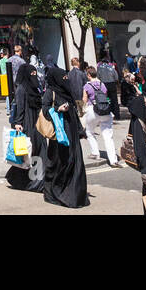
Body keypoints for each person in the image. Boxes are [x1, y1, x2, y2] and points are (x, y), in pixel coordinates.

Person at [40, 64, 89, 207]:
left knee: (74, 161)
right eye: (63, 77)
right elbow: (44, 109)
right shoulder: (51, 91)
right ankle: (55, 191)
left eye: (66, 76)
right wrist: (58, 109)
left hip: (71, 131)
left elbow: (74, 110)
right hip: (60, 134)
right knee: (60, 162)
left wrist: (81, 130)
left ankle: (74, 193)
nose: (65, 79)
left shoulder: (67, 91)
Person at [5, 61, 47, 192]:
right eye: (32, 73)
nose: (35, 76)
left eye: (35, 73)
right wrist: (18, 123)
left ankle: (39, 180)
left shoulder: (35, 88)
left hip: (38, 124)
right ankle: (27, 180)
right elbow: (20, 108)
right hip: (27, 124)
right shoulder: (22, 89)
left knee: (39, 152)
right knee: (28, 153)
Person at [81, 66, 118, 165]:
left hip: (93, 111)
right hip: (105, 111)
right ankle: (113, 160)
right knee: (108, 136)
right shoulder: (103, 84)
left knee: (89, 131)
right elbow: (105, 96)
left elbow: (84, 100)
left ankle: (95, 153)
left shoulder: (87, 86)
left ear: (89, 75)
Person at [97, 55, 121, 120]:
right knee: (114, 100)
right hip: (112, 84)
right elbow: (116, 77)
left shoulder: (99, 68)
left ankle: (107, 114)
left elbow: (98, 77)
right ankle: (117, 115)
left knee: (106, 100)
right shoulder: (111, 67)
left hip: (104, 85)